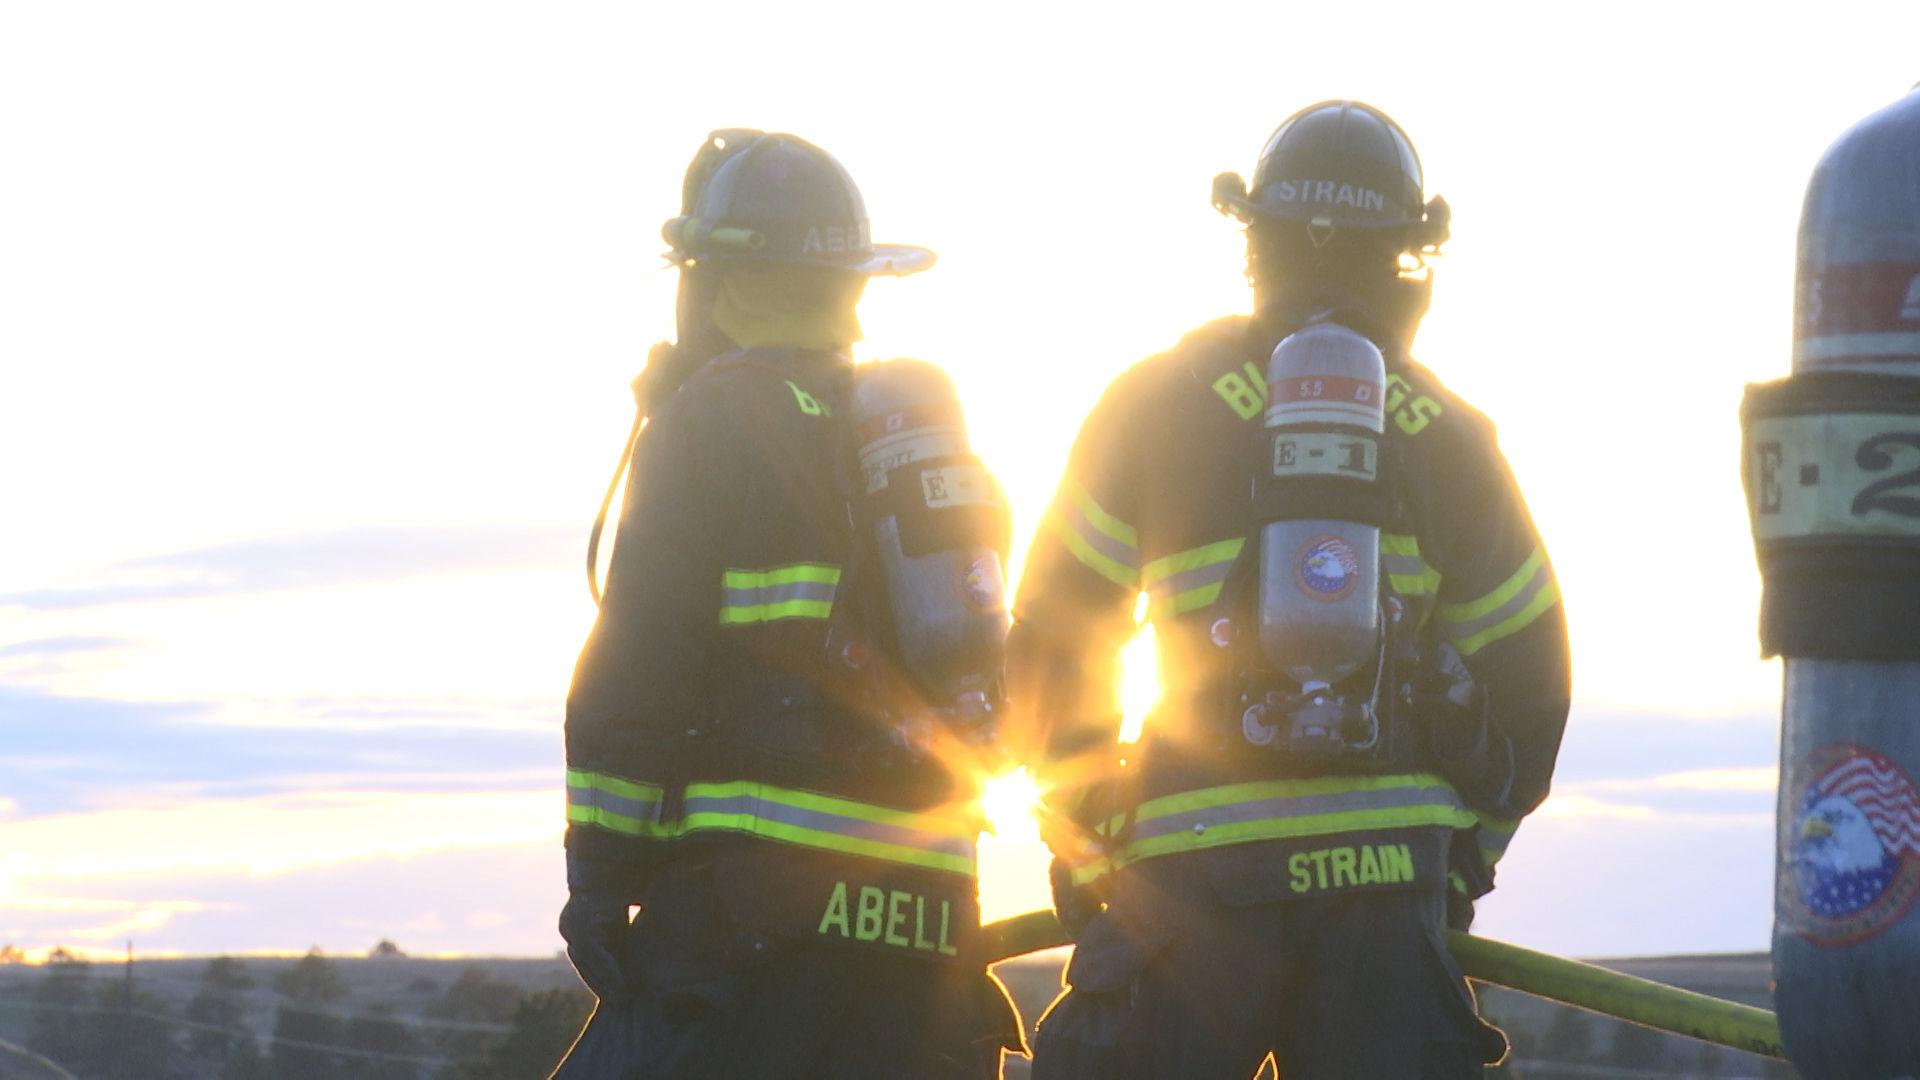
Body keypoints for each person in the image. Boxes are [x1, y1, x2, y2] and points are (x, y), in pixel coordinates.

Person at [1011, 100, 1572, 1079]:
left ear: (1254, 241)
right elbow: (1531, 684)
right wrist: (1456, 868)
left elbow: (1053, 641)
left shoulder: (1154, 403)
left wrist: (1096, 847)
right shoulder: (1450, 436)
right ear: (1405, 254)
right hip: (1387, 904)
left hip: (1186, 886)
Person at [554, 129, 1024, 1080]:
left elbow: (639, 659)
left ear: (712, 279)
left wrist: (600, 875)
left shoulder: (712, 416)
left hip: (755, 912)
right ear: (853, 283)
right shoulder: (910, 435)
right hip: (926, 918)